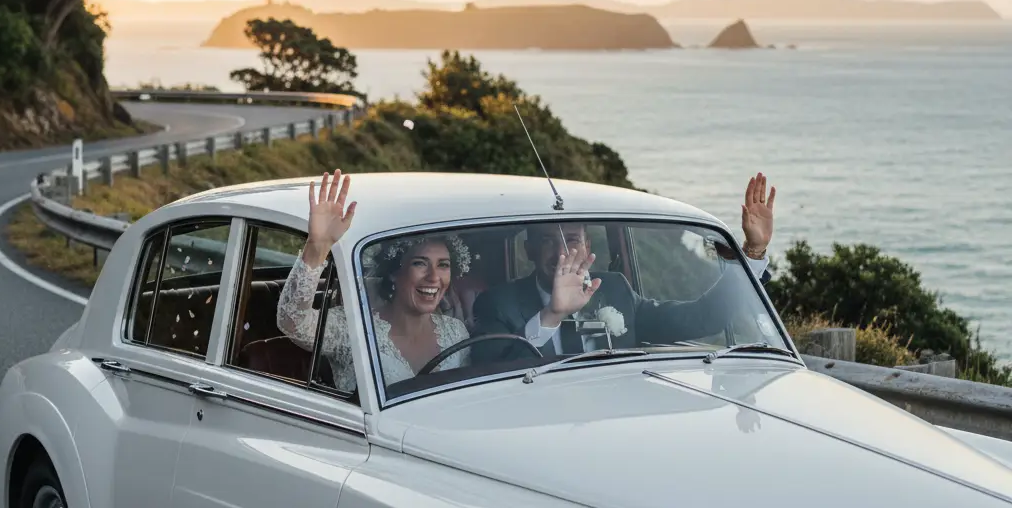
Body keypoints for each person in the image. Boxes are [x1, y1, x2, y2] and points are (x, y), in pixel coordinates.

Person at [471, 172, 778, 362]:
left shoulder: (614, 289)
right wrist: (551, 314)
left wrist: (752, 251)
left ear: (589, 246)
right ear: (530, 251)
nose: (564, 251)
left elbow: (702, 317)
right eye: (548, 241)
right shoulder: (498, 305)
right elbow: (487, 373)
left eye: (574, 239)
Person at [276, 170, 472, 391]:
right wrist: (317, 246)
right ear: (394, 273)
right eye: (420, 263)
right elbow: (292, 322)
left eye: (443, 265)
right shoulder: (354, 328)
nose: (434, 277)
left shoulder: (456, 332)